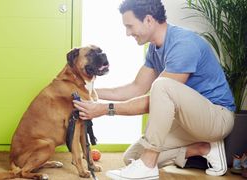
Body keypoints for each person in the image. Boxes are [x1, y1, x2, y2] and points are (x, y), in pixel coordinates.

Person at [73, 0, 236, 179]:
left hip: (216, 118)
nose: (128, 33)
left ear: (149, 20)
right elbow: (135, 88)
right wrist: (88, 91)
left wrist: (105, 109)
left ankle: (149, 165)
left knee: (161, 85)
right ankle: (205, 147)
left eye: (130, 26)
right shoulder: (153, 49)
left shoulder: (183, 44)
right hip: (188, 122)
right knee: (132, 158)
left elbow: (154, 99)